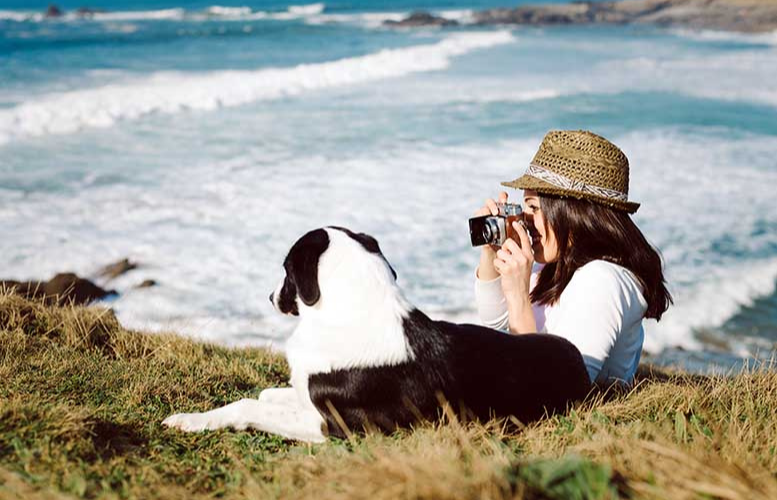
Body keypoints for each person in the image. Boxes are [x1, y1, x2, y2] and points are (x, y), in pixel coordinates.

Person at [474, 130, 672, 387]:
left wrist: (518, 296)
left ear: (574, 212)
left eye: (534, 207)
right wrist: (491, 251)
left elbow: (553, 391)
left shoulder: (602, 280)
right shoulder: (562, 265)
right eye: (524, 207)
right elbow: (496, 319)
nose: (525, 220)